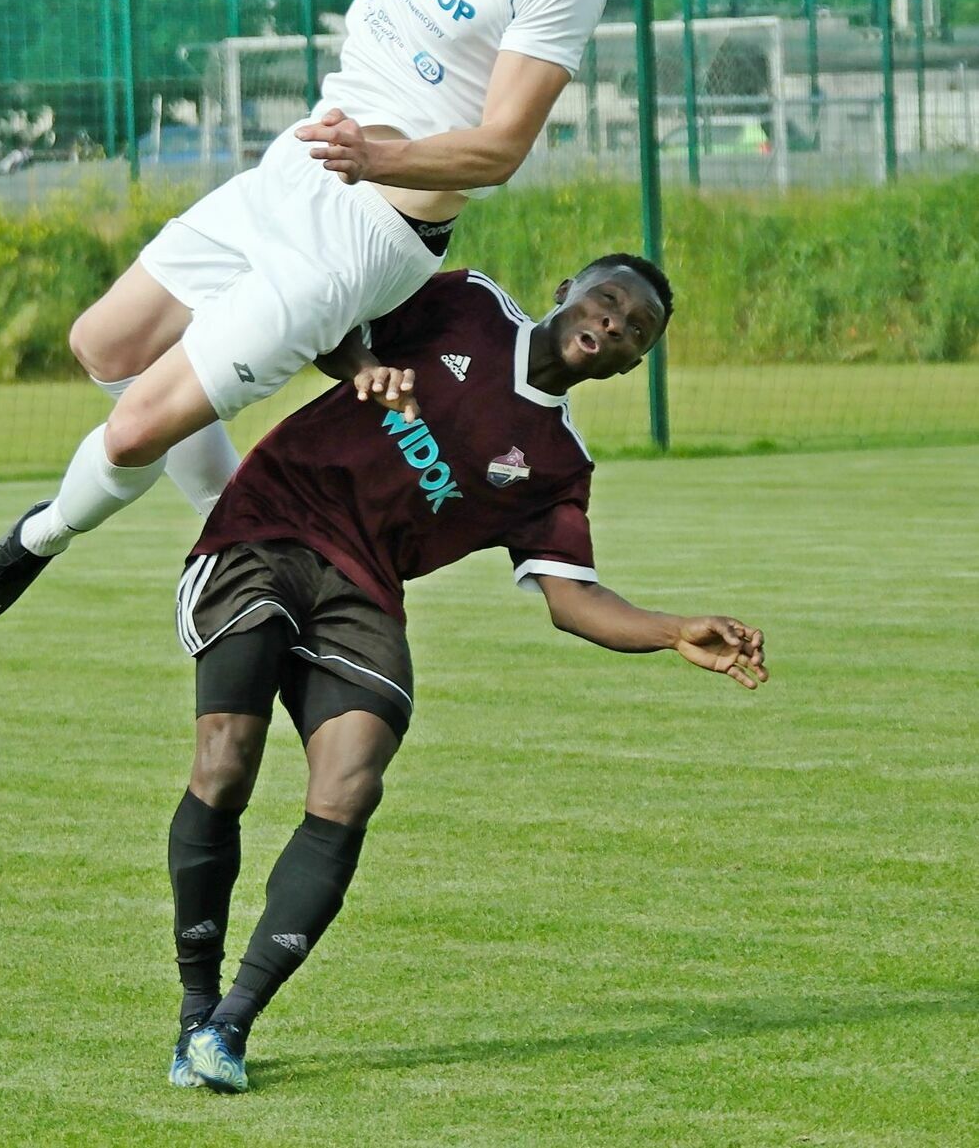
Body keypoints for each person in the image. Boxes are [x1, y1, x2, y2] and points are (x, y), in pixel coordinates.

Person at [0, 0, 607, 636]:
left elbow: (500, 147)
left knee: (130, 432)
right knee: (106, 345)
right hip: (300, 167)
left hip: (374, 230)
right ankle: (233, 523)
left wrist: (385, 154)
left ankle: (38, 537)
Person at [156, 254, 768, 1093]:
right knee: (226, 761)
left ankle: (228, 1027)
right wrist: (367, 370)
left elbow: (570, 597)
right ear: (567, 293)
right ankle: (194, 1000)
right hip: (268, 525)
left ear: (632, 363)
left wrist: (672, 630)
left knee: (351, 780)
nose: (617, 321)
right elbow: (323, 324)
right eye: (607, 298)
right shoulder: (467, 306)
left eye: (638, 328)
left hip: (365, 586)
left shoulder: (557, 463)